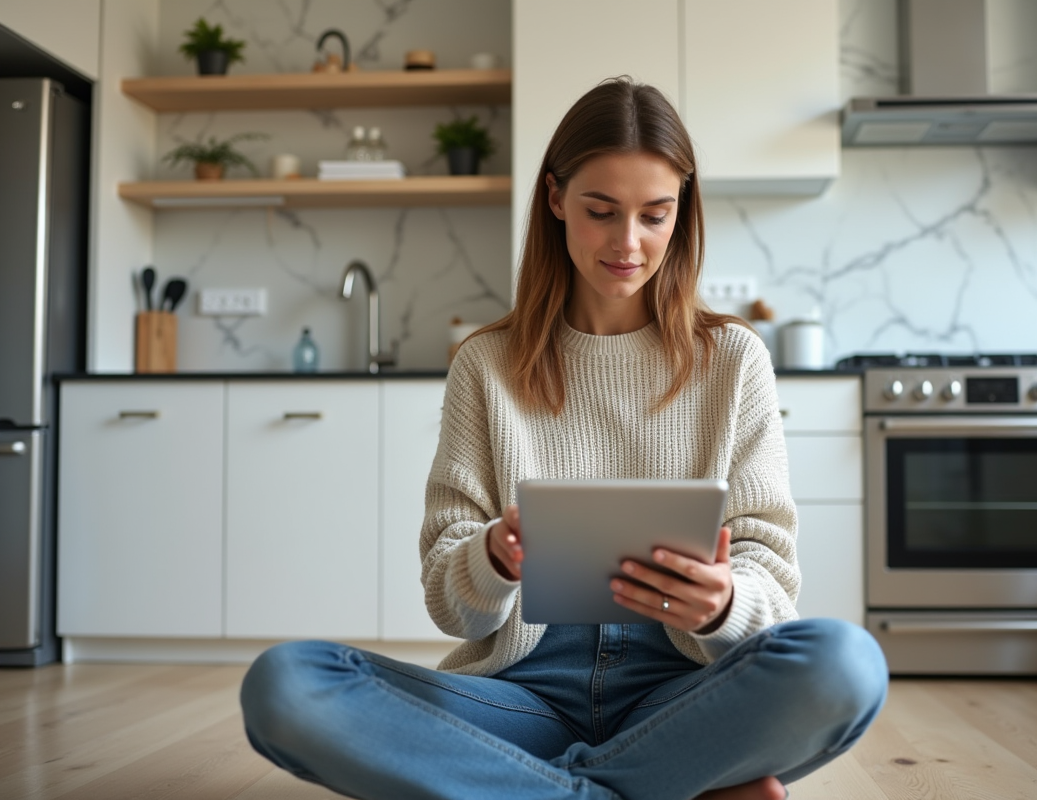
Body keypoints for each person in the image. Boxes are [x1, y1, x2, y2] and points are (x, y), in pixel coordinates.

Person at [241, 77, 888, 800]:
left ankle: (529, 790)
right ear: (555, 200)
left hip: (680, 695)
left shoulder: (734, 361)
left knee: (847, 664)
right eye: (601, 211)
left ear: (683, 211)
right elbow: (450, 603)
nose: (628, 242)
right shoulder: (485, 364)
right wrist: (492, 556)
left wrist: (724, 603)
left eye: (655, 214)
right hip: (519, 697)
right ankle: (649, 787)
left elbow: (773, 579)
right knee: (288, 685)